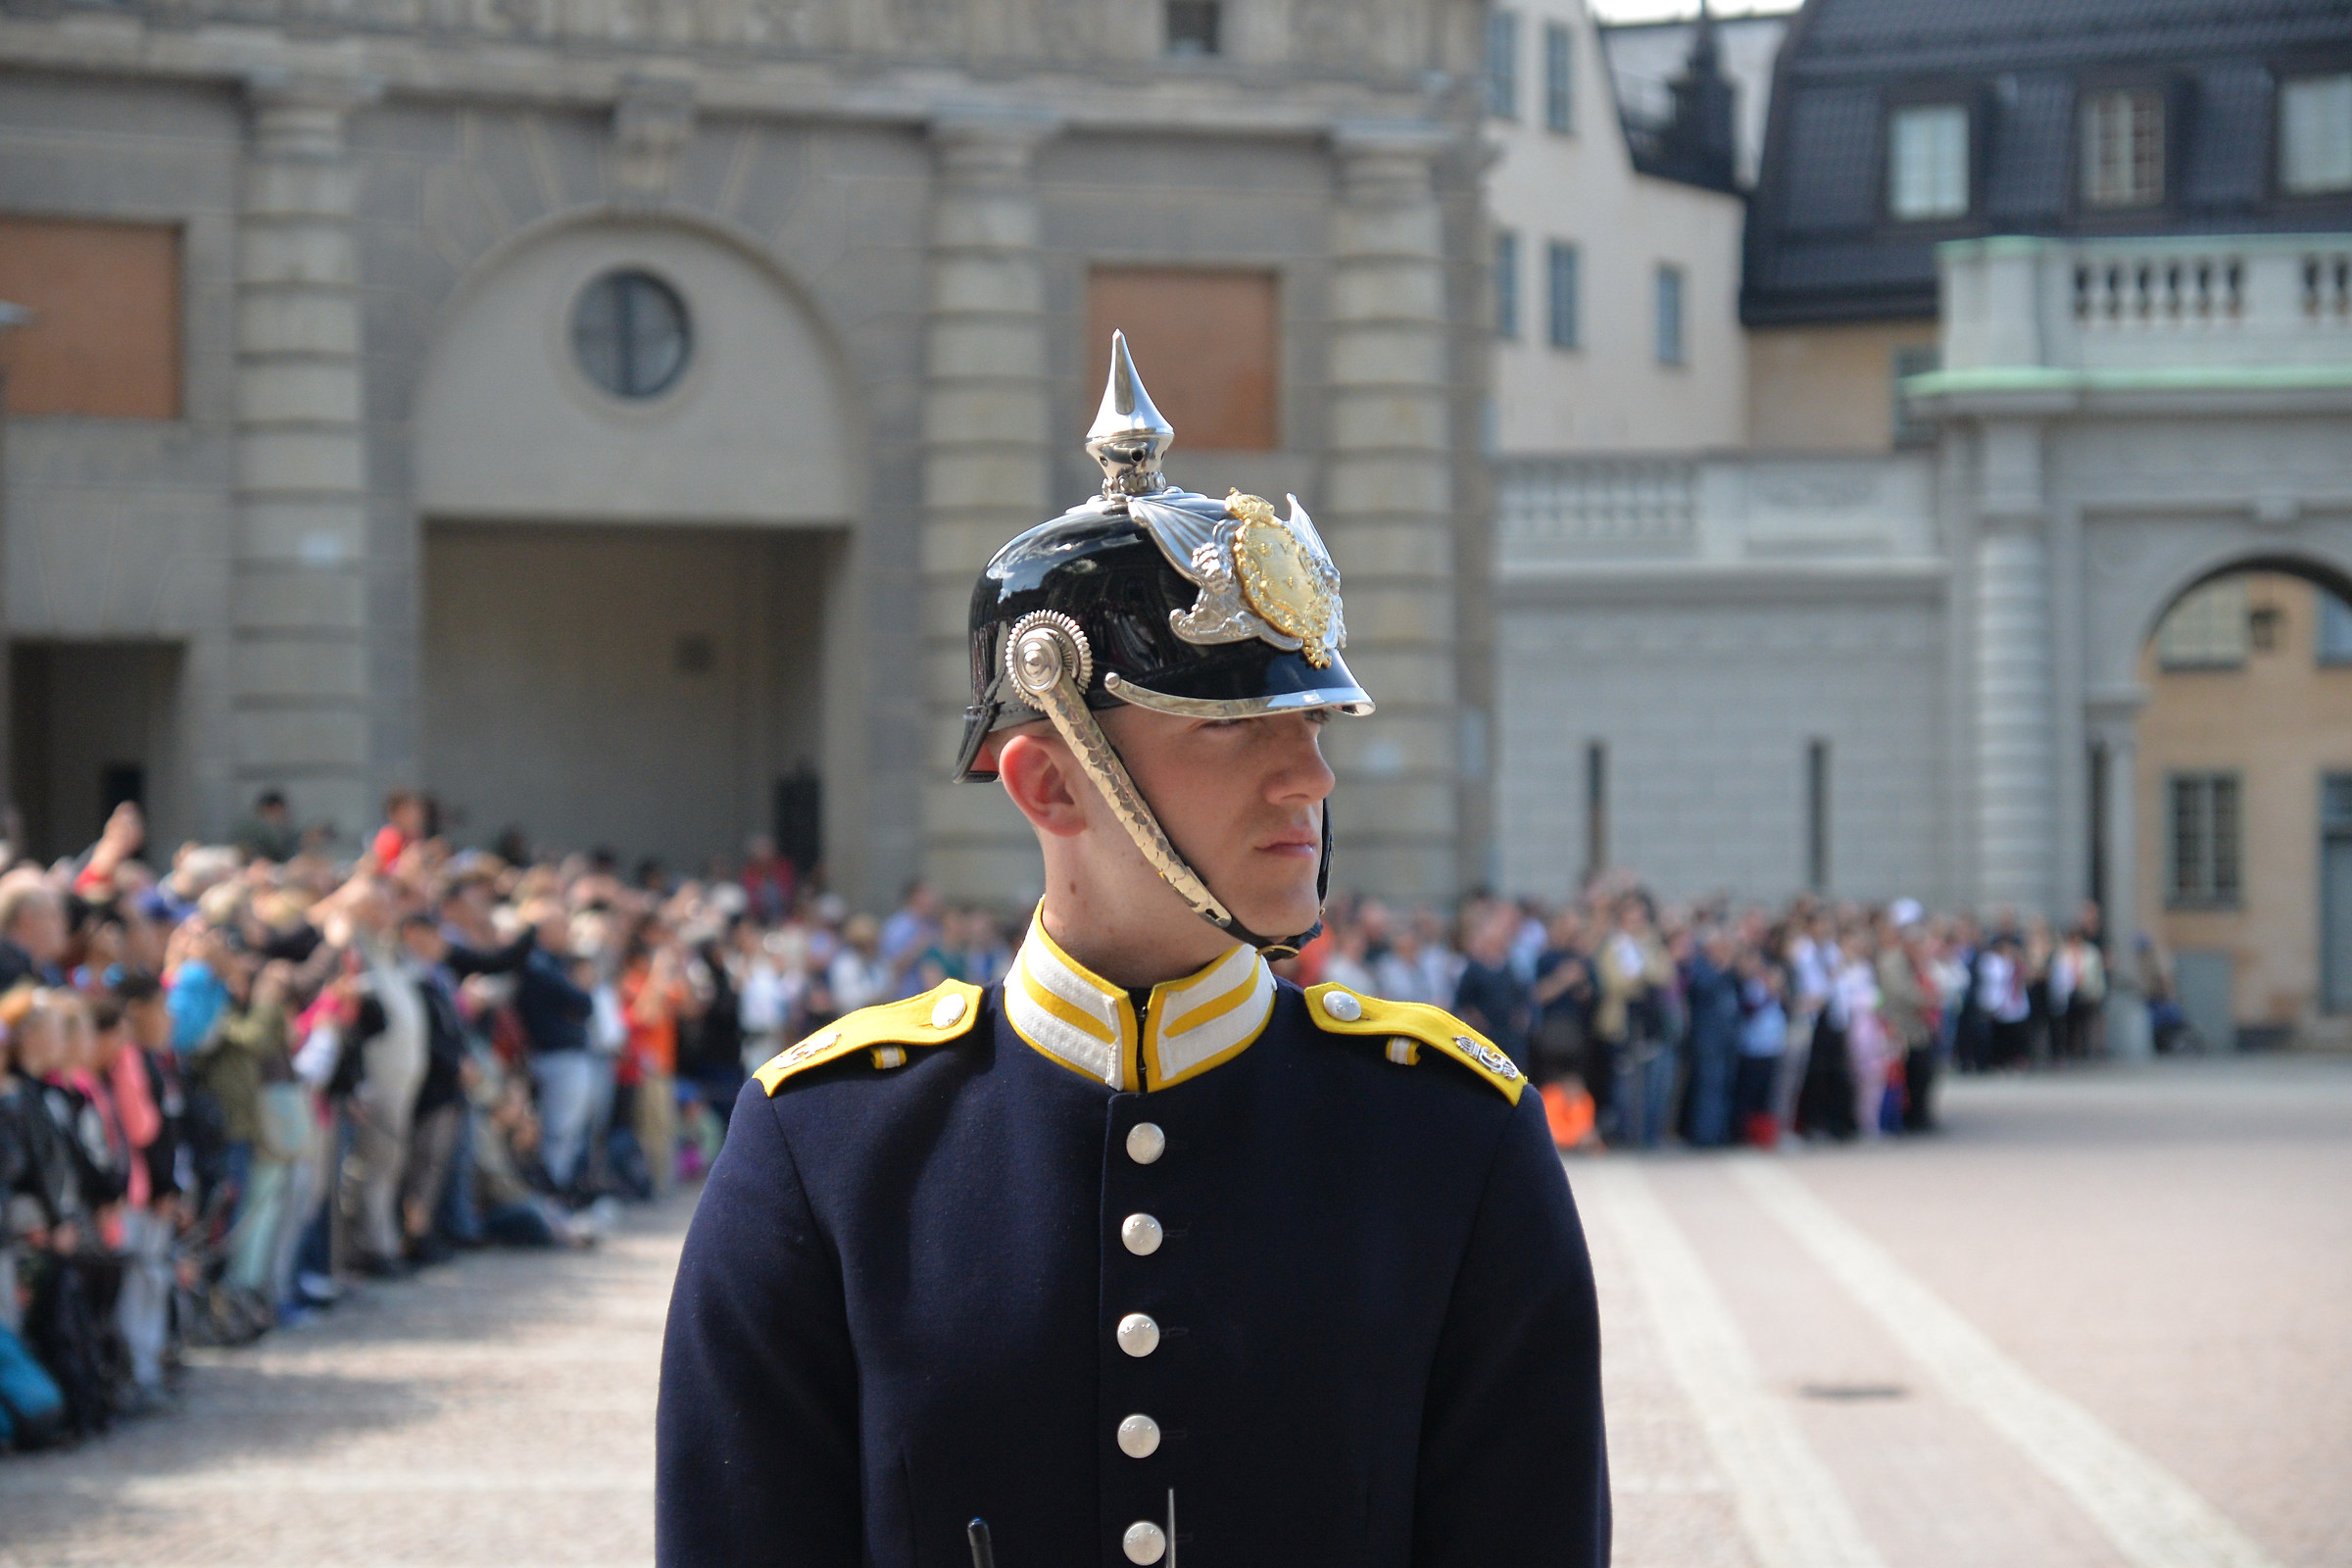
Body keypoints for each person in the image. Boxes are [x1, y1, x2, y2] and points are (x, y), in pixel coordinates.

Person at [660, 336, 1609, 1567]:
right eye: (1233, 732)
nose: (1309, 779)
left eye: (1312, 723)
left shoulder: (1452, 1137)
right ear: (1049, 780)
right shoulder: (826, 1150)